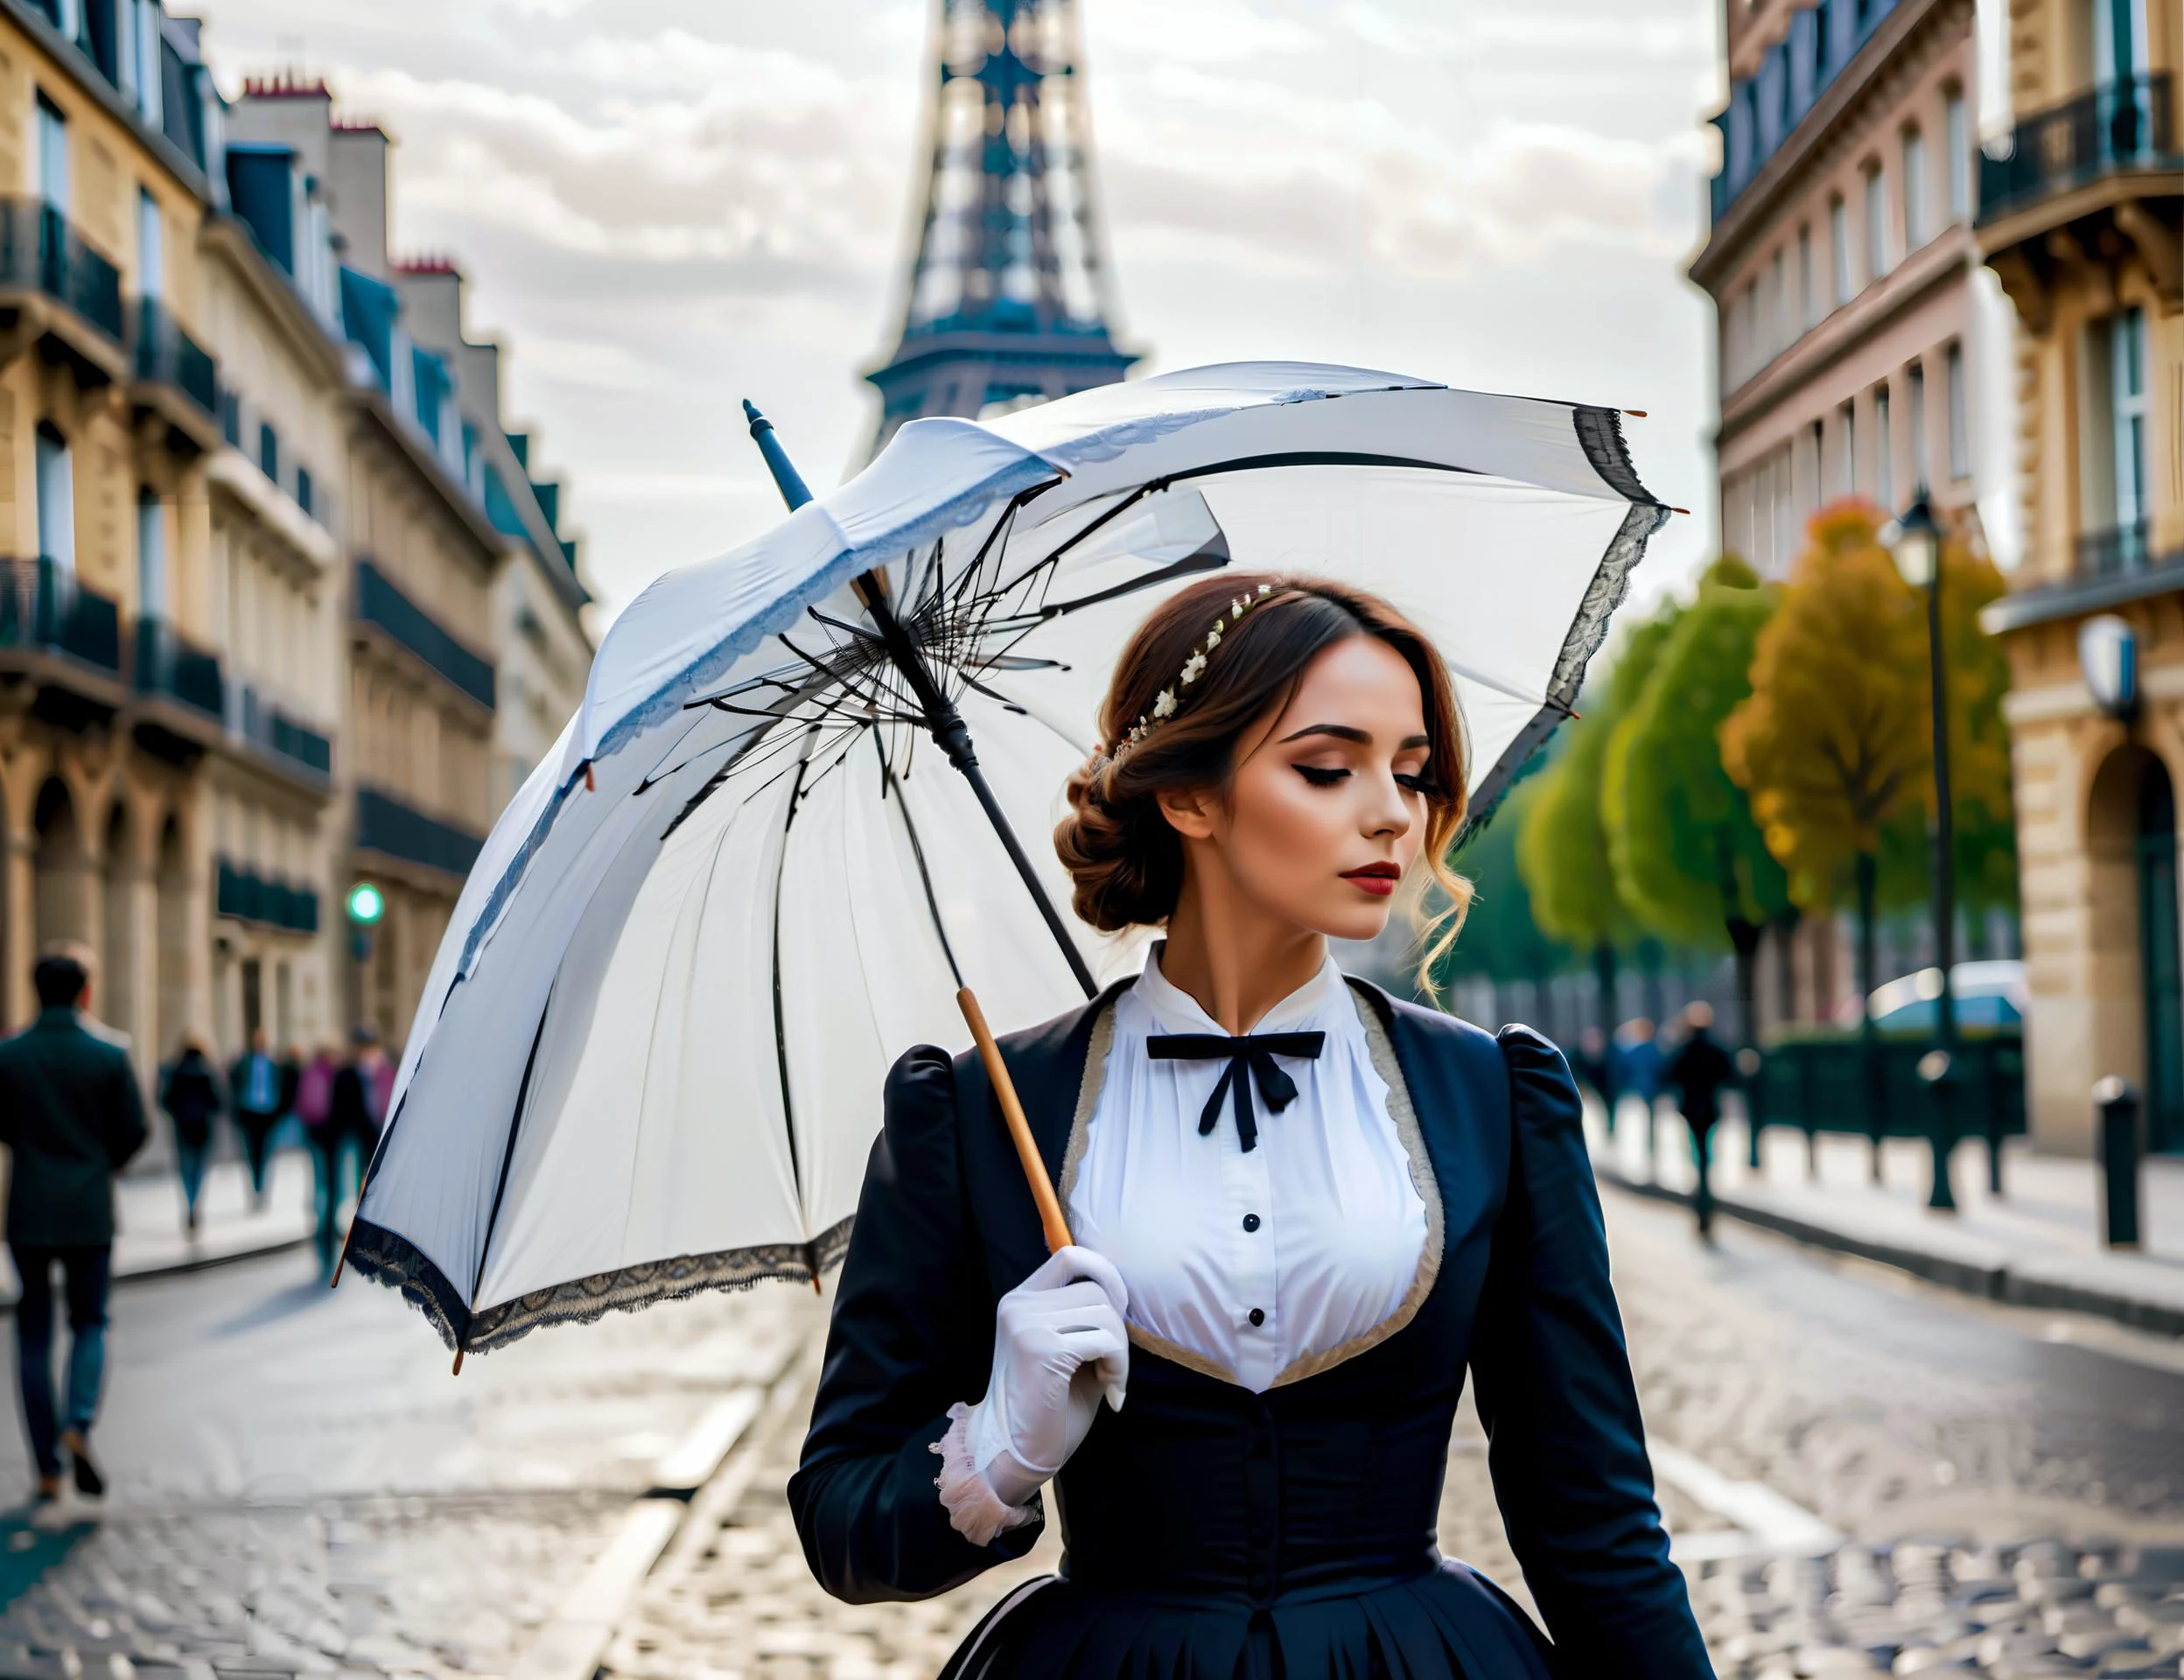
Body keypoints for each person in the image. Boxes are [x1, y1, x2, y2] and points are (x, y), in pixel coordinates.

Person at [790, 575, 1712, 1678]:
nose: (1392, 813)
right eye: (1328, 768)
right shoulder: (983, 1113)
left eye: (1412, 773)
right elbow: (844, 1524)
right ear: (1191, 798)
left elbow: (1592, 1518)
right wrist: (1005, 1442)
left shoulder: (1491, 1096)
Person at [0, 946, 149, 1505]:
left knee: (33, 1333)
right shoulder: (109, 1054)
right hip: (89, 1208)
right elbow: (136, 1128)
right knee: (90, 1321)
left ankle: (46, 1467)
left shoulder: (10, 1055)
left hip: (30, 1208)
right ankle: (79, 1424)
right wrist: (98, 1163)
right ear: (85, 992)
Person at [1665, 1002, 1737, 1242]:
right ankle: (1705, 1192)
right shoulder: (1716, 1049)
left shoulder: (1684, 1049)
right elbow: (1730, 1074)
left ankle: (1701, 1196)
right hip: (1710, 1110)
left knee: (1697, 1155)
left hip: (1689, 1110)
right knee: (1706, 1154)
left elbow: (1668, 1074)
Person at [158, 1036, 224, 1236]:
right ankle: (195, 1202)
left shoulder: (176, 1070)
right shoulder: (207, 1071)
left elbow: (165, 1099)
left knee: (186, 1168)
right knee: (199, 1167)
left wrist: (179, 1112)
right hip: (203, 1126)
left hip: (182, 1126)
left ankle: (189, 1203)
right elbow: (217, 1101)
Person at [294, 1041, 344, 1276]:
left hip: (315, 1136)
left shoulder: (310, 1073)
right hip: (333, 1140)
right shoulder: (335, 1074)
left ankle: (321, 1225)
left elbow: (302, 1107)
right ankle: (327, 1228)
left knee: (319, 1183)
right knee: (333, 1187)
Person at [228, 1029, 284, 1212]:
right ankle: (254, 1190)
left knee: (266, 1155)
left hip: (267, 1113)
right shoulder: (245, 1062)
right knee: (252, 1155)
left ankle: (263, 1191)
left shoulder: (273, 1064)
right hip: (249, 1112)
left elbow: (280, 1087)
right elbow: (233, 1080)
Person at [1613, 1016, 1665, 1165]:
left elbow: (1622, 1068)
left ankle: (1645, 1153)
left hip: (1635, 1091)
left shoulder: (1633, 1051)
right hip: (1650, 1091)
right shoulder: (1654, 1049)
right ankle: (1651, 1151)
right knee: (1650, 1123)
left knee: (1637, 1123)